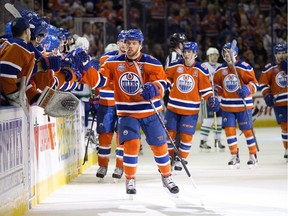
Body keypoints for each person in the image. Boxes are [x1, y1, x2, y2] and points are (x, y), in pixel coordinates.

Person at [98, 29, 179, 195]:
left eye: (134, 43)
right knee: (131, 146)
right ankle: (130, 179)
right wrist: (86, 71)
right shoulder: (112, 63)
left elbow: (164, 83)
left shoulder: (152, 62)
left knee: (160, 147)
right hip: (127, 113)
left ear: (140, 45)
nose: (130, 46)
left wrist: (155, 88)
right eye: (128, 43)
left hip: (150, 112)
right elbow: (100, 81)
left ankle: (166, 176)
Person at [164, 42, 220, 170]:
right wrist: (158, 89)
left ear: (195, 54)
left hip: (191, 110)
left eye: (189, 52)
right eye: (185, 52)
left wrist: (210, 99)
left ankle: (181, 159)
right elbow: (165, 80)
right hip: (173, 107)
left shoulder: (201, 69)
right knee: (169, 134)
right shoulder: (175, 65)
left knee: (186, 136)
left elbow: (206, 89)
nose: (186, 54)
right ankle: (169, 157)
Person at [213, 41, 259, 168]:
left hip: (243, 105)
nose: (227, 54)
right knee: (229, 131)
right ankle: (234, 155)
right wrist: (216, 93)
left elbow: (255, 84)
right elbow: (217, 87)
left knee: (247, 131)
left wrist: (248, 89)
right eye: (225, 52)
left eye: (229, 52)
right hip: (227, 106)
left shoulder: (244, 67)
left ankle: (252, 155)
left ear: (235, 53)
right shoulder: (220, 70)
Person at [95, 30, 127, 180]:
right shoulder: (105, 59)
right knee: (105, 135)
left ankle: (120, 167)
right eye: (122, 41)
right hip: (107, 102)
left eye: (128, 42)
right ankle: (103, 165)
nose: (125, 44)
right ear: (118, 42)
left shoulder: (134, 60)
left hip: (124, 104)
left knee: (122, 137)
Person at [259, 43, 287, 159]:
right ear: (275, 55)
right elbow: (264, 84)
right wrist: (267, 95)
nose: (281, 55)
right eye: (278, 53)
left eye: (283, 53)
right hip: (280, 103)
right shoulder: (269, 68)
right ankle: (287, 149)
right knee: (285, 127)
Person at [199, 47, 225, 150]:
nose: (214, 56)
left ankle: (218, 139)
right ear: (209, 56)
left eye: (216, 55)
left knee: (219, 119)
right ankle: (203, 140)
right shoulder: (204, 66)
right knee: (208, 119)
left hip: (219, 97)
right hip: (208, 97)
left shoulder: (221, 67)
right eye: (212, 55)